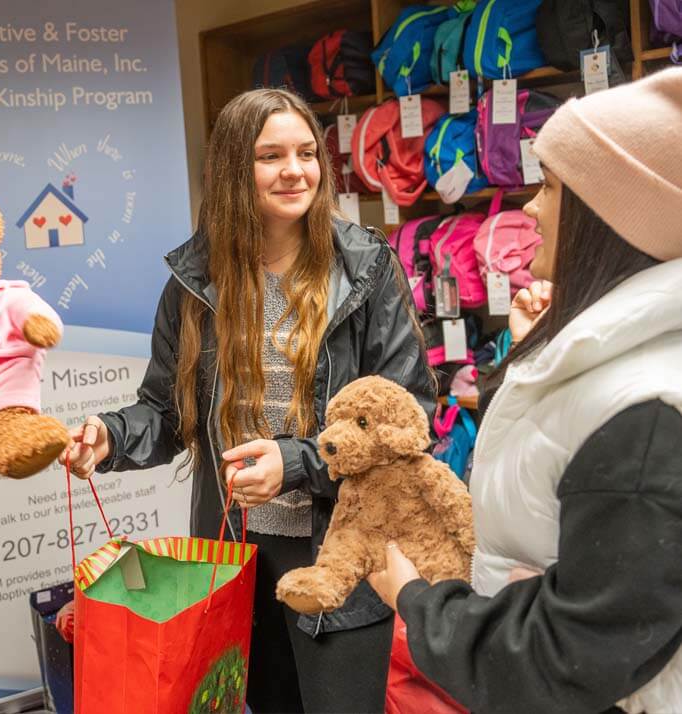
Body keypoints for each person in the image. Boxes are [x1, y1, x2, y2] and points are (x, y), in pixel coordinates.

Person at [62, 88, 434, 713]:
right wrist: (110, 436)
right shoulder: (195, 282)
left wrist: (297, 462)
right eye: (271, 156)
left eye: (307, 153)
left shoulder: (366, 269)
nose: (296, 170)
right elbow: (166, 411)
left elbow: (407, 419)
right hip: (236, 561)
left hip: (341, 558)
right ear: (236, 169)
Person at [368, 68, 682, 714]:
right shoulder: (626, 361)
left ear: (607, 216)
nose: (529, 208)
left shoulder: (646, 414)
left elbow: (570, 655)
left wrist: (416, 599)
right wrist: (535, 351)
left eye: (552, 187)